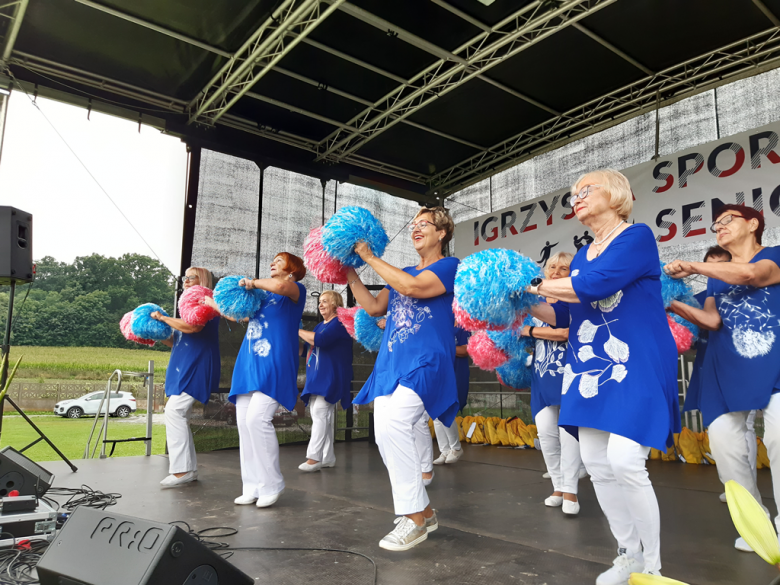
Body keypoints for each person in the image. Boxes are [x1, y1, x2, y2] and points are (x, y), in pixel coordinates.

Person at [528, 169, 679, 583]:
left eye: (585, 190)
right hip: (589, 367)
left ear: (615, 194)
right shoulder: (581, 255)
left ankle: (653, 566)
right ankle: (628, 553)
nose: (576, 198)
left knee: (625, 461)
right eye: (572, 194)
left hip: (635, 363)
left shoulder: (637, 236)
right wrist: (521, 299)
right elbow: (563, 313)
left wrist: (534, 282)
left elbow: (596, 285)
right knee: (595, 462)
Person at [666, 204, 780, 550]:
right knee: (725, 448)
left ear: (754, 223)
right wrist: (670, 303)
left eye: (726, 221)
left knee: (778, 441)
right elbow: (712, 321)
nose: (719, 227)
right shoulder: (717, 276)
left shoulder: (774, 254)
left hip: (773, 362)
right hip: (724, 368)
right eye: (715, 225)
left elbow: (752, 276)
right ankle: (757, 526)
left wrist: (691, 266)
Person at [347, 206, 459, 552]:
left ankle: (413, 519)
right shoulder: (403, 271)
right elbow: (374, 307)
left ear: (442, 233)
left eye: (423, 224)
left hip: (427, 360)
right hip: (391, 362)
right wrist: (350, 270)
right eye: (412, 225)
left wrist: (368, 255)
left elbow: (412, 287)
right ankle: (424, 510)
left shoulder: (449, 266)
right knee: (384, 432)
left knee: (395, 423)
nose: (415, 229)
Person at [204, 253, 307, 508]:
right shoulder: (261, 295)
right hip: (249, 363)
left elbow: (280, 286)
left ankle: (272, 484)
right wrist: (215, 304)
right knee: (244, 425)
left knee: (257, 420)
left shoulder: (295, 290)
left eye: (279, 261)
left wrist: (251, 282)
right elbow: (241, 316)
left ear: (292, 270)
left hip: (275, 362)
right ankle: (251, 486)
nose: (273, 263)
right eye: (272, 261)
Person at [677, 246, 757, 504]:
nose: (715, 272)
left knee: (744, 427)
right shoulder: (698, 298)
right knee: (719, 428)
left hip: (742, 368)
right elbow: (690, 339)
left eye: (722, 264)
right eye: (710, 265)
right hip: (708, 368)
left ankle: (747, 487)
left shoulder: (747, 293)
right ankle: (733, 485)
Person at [521, 251, 583, 516]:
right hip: (541, 374)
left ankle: (571, 491)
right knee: (546, 432)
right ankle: (557, 486)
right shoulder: (534, 302)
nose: (556, 272)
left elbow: (565, 332)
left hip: (569, 372)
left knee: (569, 433)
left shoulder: (574, 299)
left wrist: (531, 331)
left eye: (563, 268)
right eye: (552, 267)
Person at [154, 267, 220, 488]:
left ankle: (182, 470)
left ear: (201, 279)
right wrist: (155, 333)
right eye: (184, 278)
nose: (185, 281)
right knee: (178, 413)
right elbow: (178, 339)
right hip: (184, 362)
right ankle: (187, 469)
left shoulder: (205, 301)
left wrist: (163, 318)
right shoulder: (188, 305)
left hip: (198, 363)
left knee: (174, 411)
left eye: (190, 277)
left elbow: (193, 327)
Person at [297, 290, 353, 472]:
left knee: (320, 413)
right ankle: (327, 457)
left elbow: (320, 341)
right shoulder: (320, 325)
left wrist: (295, 329)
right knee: (319, 415)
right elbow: (306, 350)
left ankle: (314, 458)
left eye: (325, 302)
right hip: (317, 377)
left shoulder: (340, 322)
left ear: (335, 304)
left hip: (331, 376)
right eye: (320, 302)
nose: (320, 305)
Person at [433, 326, 470, 465]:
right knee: (436, 414)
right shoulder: (440, 326)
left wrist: (442, 347)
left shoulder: (462, 327)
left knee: (447, 410)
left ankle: (456, 448)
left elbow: (466, 350)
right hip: (438, 372)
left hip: (456, 373)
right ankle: (445, 450)